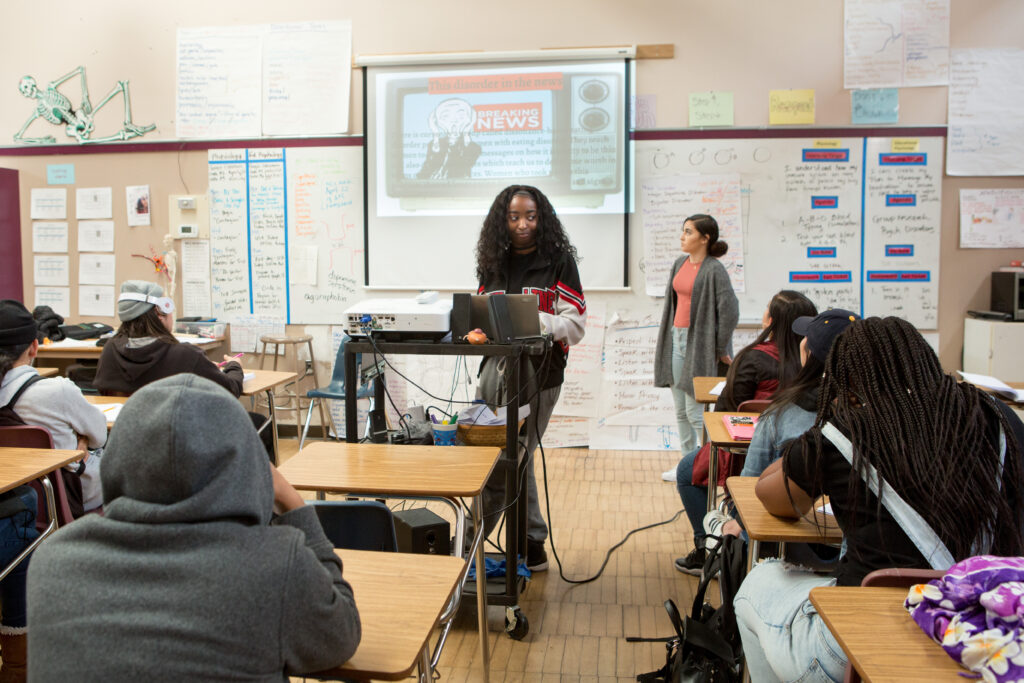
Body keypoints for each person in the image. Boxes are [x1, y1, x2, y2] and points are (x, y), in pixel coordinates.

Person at [734, 316, 1024, 683]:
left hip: (860, 646)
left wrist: (828, 420)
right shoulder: (1000, 421)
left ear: (846, 380)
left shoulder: (848, 433)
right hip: (982, 637)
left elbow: (770, 496)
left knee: (758, 584)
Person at [27, 374, 361, 680]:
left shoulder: (53, 560)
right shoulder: (275, 563)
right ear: (250, 466)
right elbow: (340, 636)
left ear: (119, 459)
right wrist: (295, 506)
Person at [474, 184, 586, 572]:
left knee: (515, 452)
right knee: (506, 454)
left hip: (542, 373)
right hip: (494, 369)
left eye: (531, 216)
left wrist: (535, 321)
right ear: (502, 220)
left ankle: (479, 538)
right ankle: (530, 541)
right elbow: (481, 314)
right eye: (514, 216)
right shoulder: (493, 260)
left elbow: (575, 326)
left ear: (542, 219)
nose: (523, 224)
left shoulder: (559, 261)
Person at [672, 290, 816, 575]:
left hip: (745, 455)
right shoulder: (814, 362)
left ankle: (711, 552)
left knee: (686, 472)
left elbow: (725, 412)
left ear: (772, 320)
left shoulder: (753, 358)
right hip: (803, 464)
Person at [705, 309, 861, 547]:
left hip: (784, 547)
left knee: (715, 518)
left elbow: (747, 495)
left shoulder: (781, 417)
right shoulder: (877, 422)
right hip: (850, 552)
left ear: (809, 356)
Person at [93, 280, 274, 459]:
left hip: (130, 442)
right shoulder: (184, 355)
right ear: (159, 312)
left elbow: (104, 388)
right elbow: (230, 390)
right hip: (184, 443)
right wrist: (234, 366)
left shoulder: (110, 350)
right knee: (260, 423)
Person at [0, 299, 106, 515]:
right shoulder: (58, 391)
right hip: (70, 497)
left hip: (16, 501)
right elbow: (100, 437)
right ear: (34, 346)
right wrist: (81, 442)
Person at [654, 214, 739, 459]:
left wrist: (720, 347)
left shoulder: (714, 269)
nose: (682, 236)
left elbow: (730, 310)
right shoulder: (679, 263)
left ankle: (707, 465)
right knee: (680, 410)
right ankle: (686, 465)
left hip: (698, 345)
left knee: (694, 411)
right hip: (674, 340)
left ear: (705, 238)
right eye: (683, 231)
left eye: (688, 232)